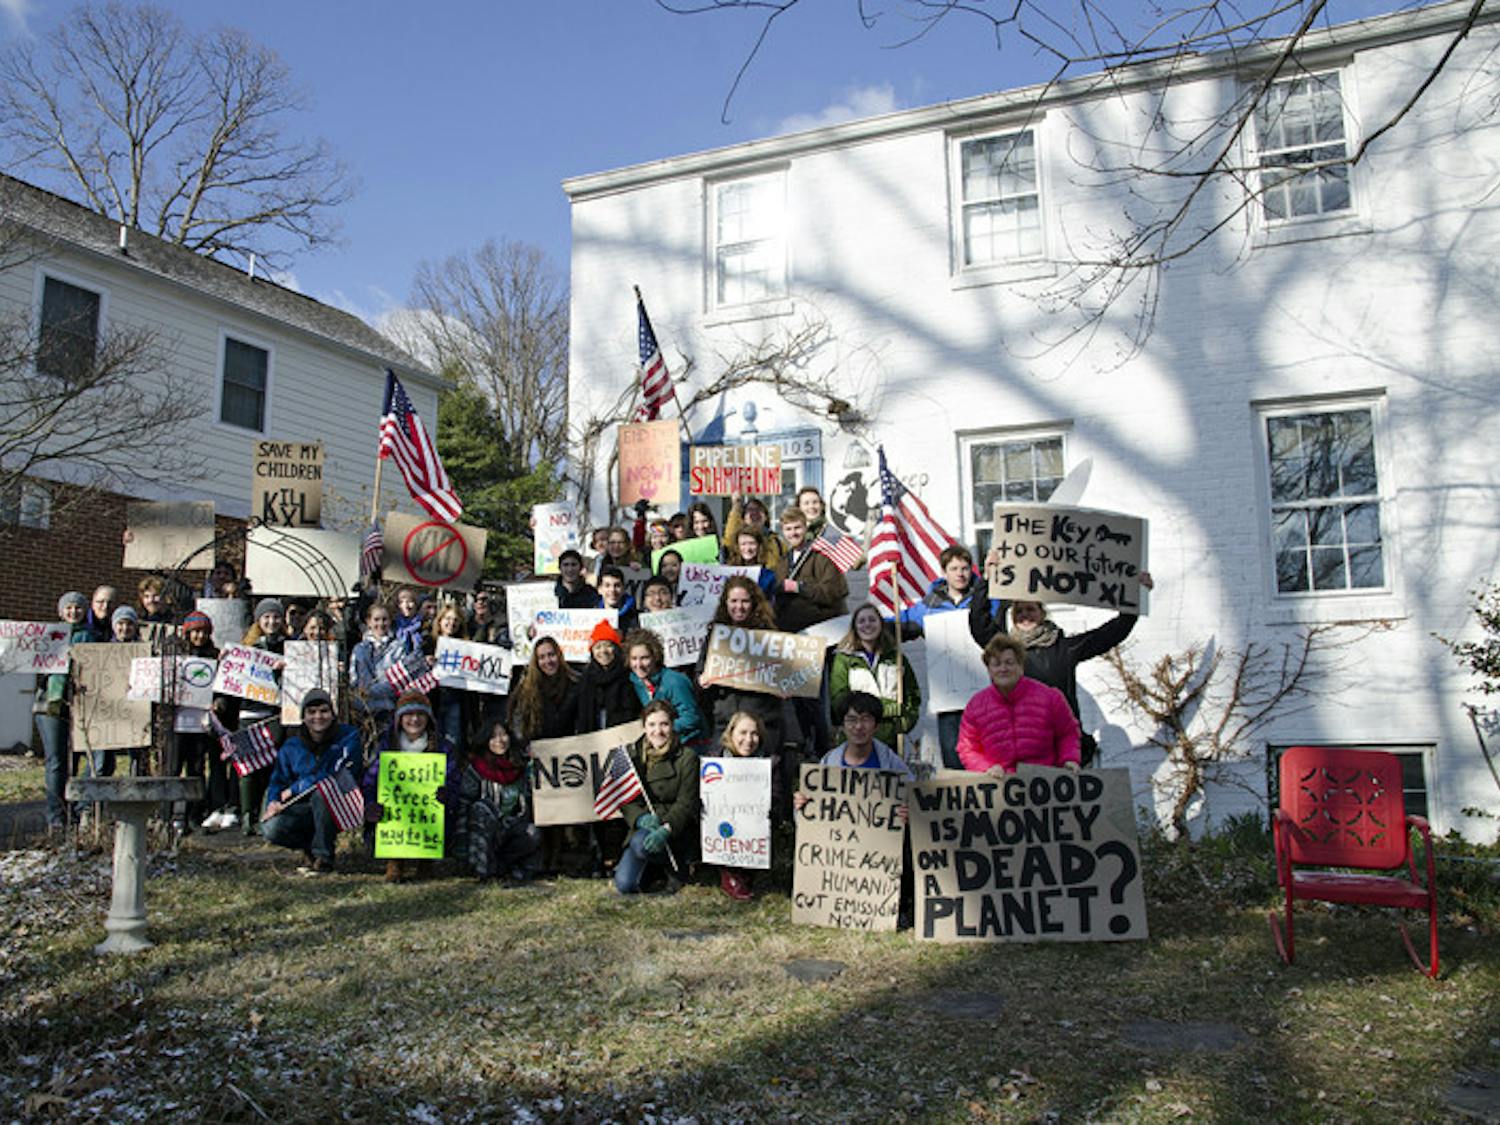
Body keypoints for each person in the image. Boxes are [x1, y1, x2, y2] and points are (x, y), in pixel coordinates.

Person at [968, 567, 1155, 767]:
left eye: (1030, 609)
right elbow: (979, 622)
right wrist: (987, 579)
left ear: (1042, 613)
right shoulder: (1004, 648)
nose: (1025, 615)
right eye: (1019, 611)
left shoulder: (1065, 648)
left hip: (1063, 750)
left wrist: (1137, 596)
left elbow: (1110, 634)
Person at [896, 545, 1000, 768]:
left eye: (964, 568)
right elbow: (899, 625)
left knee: (989, 758)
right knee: (954, 759)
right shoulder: (929, 606)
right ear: (944, 572)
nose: (960, 574)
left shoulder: (987, 600)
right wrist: (870, 623)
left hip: (985, 692)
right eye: (954, 568)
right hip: (949, 699)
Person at [361, 689, 459, 882]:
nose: (414, 720)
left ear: (428, 719)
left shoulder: (443, 747)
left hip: (431, 815)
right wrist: (371, 803)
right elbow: (370, 780)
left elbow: (454, 779)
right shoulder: (386, 745)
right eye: (409, 714)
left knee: (446, 813)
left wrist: (447, 794)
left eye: (420, 714)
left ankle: (426, 860)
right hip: (393, 814)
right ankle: (394, 860)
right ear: (399, 719)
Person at [260, 689, 362, 874]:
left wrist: (295, 788)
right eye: (312, 712)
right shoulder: (292, 745)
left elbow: (338, 774)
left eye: (324, 711)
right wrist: (273, 802)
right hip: (302, 807)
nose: (318, 717)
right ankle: (310, 848)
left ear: (332, 714)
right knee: (271, 828)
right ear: (304, 717)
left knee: (321, 793)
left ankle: (324, 858)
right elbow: (278, 779)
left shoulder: (349, 737)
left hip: (338, 803)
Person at [956, 635, 1080, 776]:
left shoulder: (1050, 697)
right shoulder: (975, 706)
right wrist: (986, 768)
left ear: (1021, 666)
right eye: (996, 664)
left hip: (1046, 781)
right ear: (989, 669)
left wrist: (1069, 759)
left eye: (1009, 663)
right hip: (999, 784)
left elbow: (1068, 733)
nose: (1003, 668)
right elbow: (967, 748)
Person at [614, 700, 700, 895]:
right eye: (652, 724)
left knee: (640, 844)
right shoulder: (632, 755)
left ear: (672, 725)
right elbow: (624, 797)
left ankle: (674, 864)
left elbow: (686, 803)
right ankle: (654, 870)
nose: (658, 731)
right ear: (644, 727)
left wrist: (667, 828)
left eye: (664, 724)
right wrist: (639, 818)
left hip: (675, 829)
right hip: (644, 825)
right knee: (625, 885)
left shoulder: (686, 757)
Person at [695, 576, 783, 753]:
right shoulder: (716, 636)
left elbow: (780, 676)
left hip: (760, 723)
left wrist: (784, 686)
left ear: (754, 603)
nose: (739, 607)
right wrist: (702, 680)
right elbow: (699, 673)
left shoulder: (768, 637)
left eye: (745, 601)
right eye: (734, 601)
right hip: (725, 721)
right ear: (725, 603)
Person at [453, 719, 541, 881]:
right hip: (481, 831)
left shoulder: (519, 765)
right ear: (486, 741)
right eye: (493, 737)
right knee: (481, 808)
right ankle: (482, 868)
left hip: (510, 827)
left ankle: (501, 866)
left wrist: (534, 764)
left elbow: (532, 796)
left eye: (503, 735)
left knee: (532, 832)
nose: (499, 741)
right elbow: (464, 805)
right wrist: (461, 844)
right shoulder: (476, 769)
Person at [829, 603, 921, 752]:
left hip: (891, 740)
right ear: (855, 627)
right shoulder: (843, 659)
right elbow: (839, 699)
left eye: (872, 620)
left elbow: (912, 696)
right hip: (855, 740)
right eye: (862, 621)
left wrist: (905, 723)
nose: (867, 625)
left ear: (881, 624)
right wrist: (887, 708)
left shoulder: (896, 658)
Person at [710, 711, 780, 902]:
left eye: (754, 733)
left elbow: (777, 797)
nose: (748, 740)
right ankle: (728, 873)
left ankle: (748, 873)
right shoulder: (715, 761)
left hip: (754, 825)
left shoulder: (770, 762)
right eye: (743, 733)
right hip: (723, 826)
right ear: (731, 733)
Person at [35, 591, 90, 830]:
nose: (73, 611)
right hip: (49, 703)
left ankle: (76, 811)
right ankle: (55, 816)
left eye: (78, 607)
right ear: (60, 611)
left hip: (81, 705)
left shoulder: (91, 637)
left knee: (76, 760)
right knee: (56, 760)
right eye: (68, 608)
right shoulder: (48, 637)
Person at [236, 598, 288, 835]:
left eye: (276, 616)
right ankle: (247, 815)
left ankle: (264, 813)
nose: (272, 621)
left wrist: (284, 670)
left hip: (274, 715)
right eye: (267, 617)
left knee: (269, 767)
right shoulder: (248, 648)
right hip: (249, 712)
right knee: (247, 767)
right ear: (258, 620)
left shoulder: (288, 648)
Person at [625, 629, 706, 745]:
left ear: (655, 657)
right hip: (661, 745)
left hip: (688, 744)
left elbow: (691, 718)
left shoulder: (675, 682)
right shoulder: (635, 682)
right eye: (634, 659)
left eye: (644, 658)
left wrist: (662, 727)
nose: (639, 665)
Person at [773, 506, 847, 633]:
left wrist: (799, 587)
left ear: (805, 527)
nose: (793, 533)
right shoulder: (782, 562)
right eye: (788, 529)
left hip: (819, 630)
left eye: (797, 527)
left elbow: (831, 592)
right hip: (788, 631)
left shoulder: (822, 557)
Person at [350, 602, 411, 731]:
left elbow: (399, 680)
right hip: (362, 709)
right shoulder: (359, 648)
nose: (381, 624)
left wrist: (372, 691)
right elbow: (354, 677)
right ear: (368, 622)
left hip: (388, 707)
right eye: (376, 619)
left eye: (385, 619)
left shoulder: (398, 647)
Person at [507, 635, 579, 741]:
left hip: (570, 750)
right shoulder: (526, 689)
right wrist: (526, 747)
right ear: (536, 661)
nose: (548, 661)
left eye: (551, 655)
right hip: (540, 751)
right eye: (542, 657)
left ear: (559, 655)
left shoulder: (576, 684)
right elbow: (518, 723)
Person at [576, 621, 640, 733]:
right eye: (598, 647)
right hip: (592, 739)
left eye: (608, 645)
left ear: (616, 648)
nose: (603, 651)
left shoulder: (628, 675)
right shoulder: (586, 677)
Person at [723, 495, 785, 573]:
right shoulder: (737, 539)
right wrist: (736, 505)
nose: (754, 513)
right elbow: (729, 539)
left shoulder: (777, 542)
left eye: (759, 510)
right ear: (744, 517)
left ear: (766, 517)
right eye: (750, 510)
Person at [597, 566, 640, 635]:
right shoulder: (592, 615)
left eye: (617, 585)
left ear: (623, 589)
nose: (612, 590)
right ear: (599, 590)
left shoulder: (636, 617)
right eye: (607, 585)